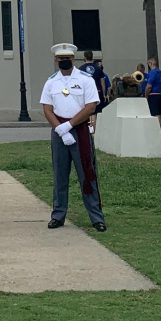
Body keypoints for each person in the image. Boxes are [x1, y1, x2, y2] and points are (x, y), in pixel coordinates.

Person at [40, 43, 106, 232]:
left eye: (67, 58)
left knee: (87, 173)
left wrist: (70, 125)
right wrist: (60, 129)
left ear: (73, 58)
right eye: (61, 58)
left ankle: (96, 217)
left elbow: (91, 106)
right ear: (55, 60)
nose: (64, 61)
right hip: (59, 131)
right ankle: (58, 215)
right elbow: (47, 108)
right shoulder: (51, 81)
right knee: (60, 175)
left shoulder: (85, 79)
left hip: (80, 131)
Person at [79, 51, 106, 131]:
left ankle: (88, 130)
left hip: (85, 93)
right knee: (95, 112)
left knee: (86, 112)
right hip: (97, 92)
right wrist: (103, 94)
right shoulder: (98, 68)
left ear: (84, 57)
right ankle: (94, 131)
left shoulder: (80, 69)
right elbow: (102, 82)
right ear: (92, 57)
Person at [144, 57, 161, 139]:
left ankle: (157, 133)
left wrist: (146, 95)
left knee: (156, 115)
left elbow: (149, 86)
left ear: (150, 63)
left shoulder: (153, 72)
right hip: (160, 95)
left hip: (154, 95)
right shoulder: (160, 72)